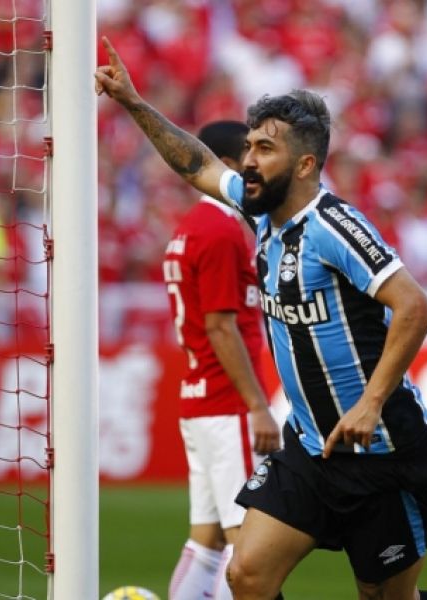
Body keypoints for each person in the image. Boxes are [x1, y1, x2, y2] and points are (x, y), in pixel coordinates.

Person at [95, 36, 427, 600]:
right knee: (246, 574)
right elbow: (198, 163)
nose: (248, 161)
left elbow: (416, 306)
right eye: (248, 147)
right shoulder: (260, 211)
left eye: (265, 149)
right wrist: (134, 103)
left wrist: (370, 403)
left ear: (306, 164)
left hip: (383, 453)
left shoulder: (335, 227)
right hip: (311, 449)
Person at [164, 120, 281, 600]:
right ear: (225, 166)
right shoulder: (220, 230)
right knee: (245, 548)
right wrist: (257, 405)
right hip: (227, 402)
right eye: (249, 161)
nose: (256, 171)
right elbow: (220, 325)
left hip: (199, 399)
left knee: (206, 543)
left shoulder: (189, 228)